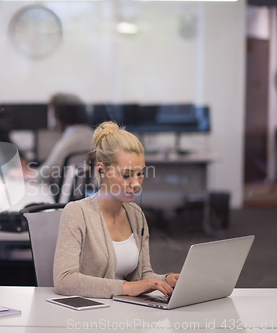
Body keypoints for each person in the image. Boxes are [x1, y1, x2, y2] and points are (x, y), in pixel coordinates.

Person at [53, 121, 179, 298]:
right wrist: (126, 288)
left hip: (125, 313)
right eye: (126, 175)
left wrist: (165, 280)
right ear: (102, 171)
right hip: (88, 318)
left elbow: (142, 277)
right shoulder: (77, 212)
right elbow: (64, 280)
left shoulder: (136, 215)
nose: (136, 184)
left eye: (140, 173)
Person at [34, 93, 93, 184]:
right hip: (86, 193)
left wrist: (22, 174)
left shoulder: (71, 139)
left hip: (68, 196)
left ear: (58, 115)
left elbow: (44, 175)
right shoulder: (90, 134)